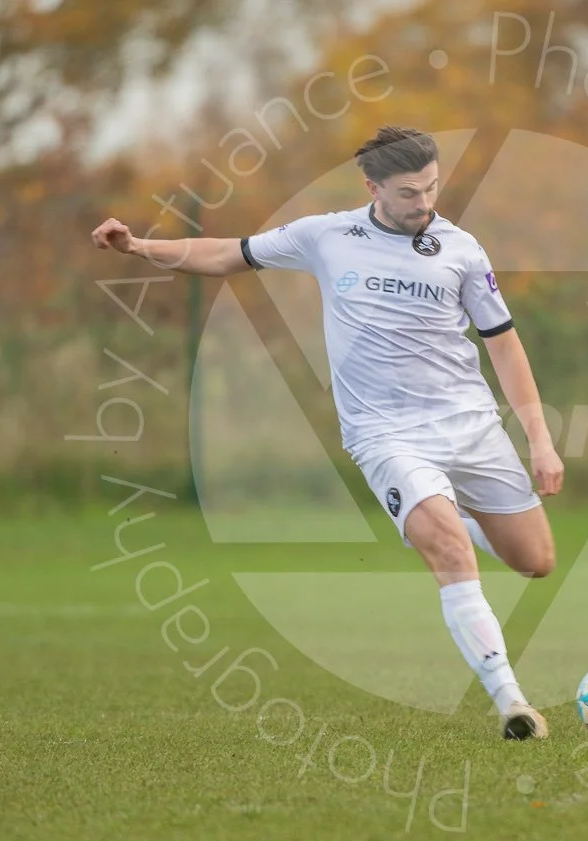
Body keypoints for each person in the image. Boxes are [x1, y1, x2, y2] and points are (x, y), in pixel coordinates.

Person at [90, 125, 563, 740]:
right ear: (372, 187)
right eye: (408, 192)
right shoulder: (326, 235)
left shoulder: (463, 250)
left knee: (537, 561)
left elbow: (504, 347)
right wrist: (137, 247)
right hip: (386, 432)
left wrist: (541, 439)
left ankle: (436, 518)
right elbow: (228, 253)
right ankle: (513, 704)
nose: (424, 203)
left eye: (432, 188)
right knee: (451, 552)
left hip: (468, 425)